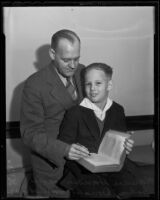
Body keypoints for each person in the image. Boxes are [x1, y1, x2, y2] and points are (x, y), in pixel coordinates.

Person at [58, 63, 144, 198]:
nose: (92, 89)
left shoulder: (118, 110)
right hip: (83, 169)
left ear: (109, 85)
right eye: (88, 84)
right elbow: (62, 144)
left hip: (114, 167)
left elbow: (119, 143)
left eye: (98, 83)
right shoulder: (74, 112)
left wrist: (125, 147)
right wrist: (69, 150)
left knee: (133, 191)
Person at [20, 29, 90, 197]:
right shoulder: (34, 84)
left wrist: (115, 136)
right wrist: (65, 150)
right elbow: (30, 134)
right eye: (66, 60)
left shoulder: (83, 71)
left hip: (84, 162)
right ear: (52, 53)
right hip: (53, 167)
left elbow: (94, 112)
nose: (73, 65)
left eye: (77, 58)